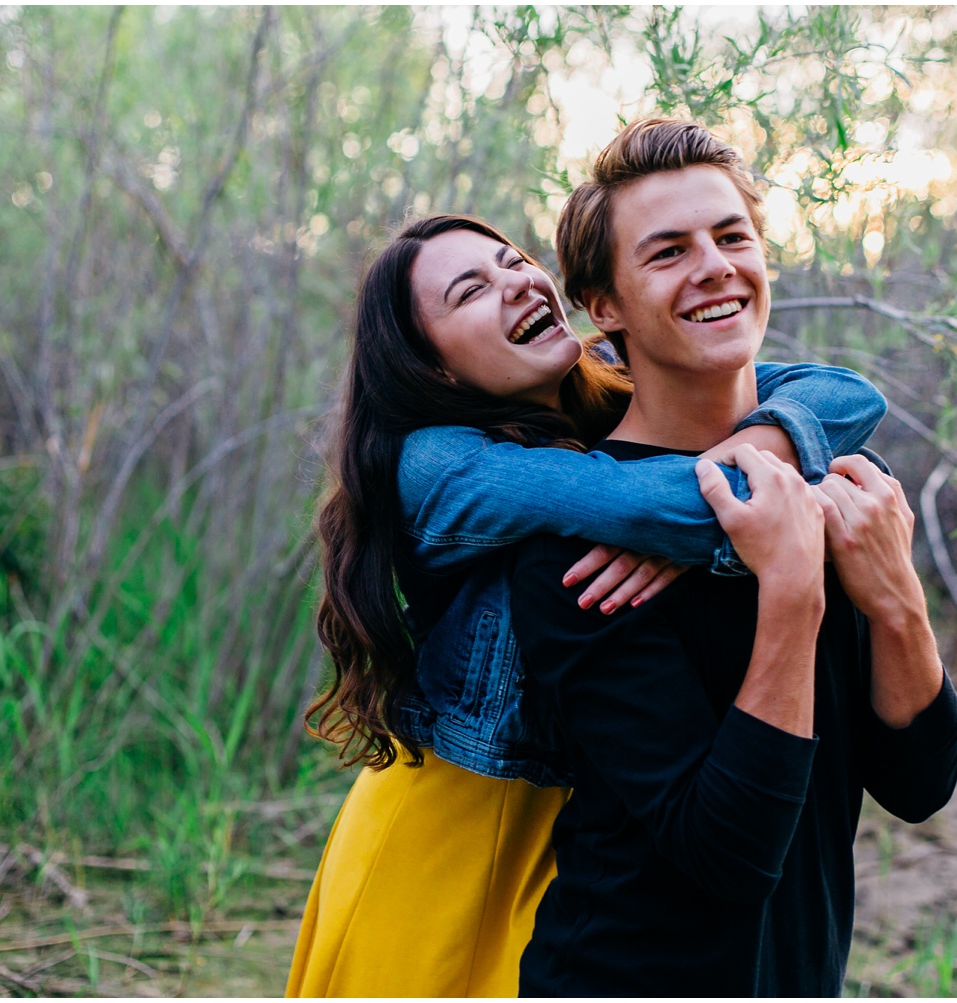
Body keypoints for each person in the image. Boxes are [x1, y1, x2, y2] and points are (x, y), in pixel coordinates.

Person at [286, 213, 888, 996]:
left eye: (515, 261)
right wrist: (692, 521)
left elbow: (847, 394)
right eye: (472, 290)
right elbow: (682, 508)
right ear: (431, 368)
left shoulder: (611, 387)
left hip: (569, 823)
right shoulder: (437, 464)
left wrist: (750, 458)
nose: (517, 283)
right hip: (455, 823)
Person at [511, 119, 957, 996]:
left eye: (731, 236)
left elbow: (920, 783)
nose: (714, 266)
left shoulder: (842, 484)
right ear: (604, 307)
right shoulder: (578, 546)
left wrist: (897, 600)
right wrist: (791, 590)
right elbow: (724, 852)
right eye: (668, 251)